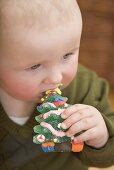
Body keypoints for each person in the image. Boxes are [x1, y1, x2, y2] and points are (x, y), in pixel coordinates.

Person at [0, 0, 114, 170]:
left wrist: (101, 137)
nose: (55, 78)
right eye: (35, 66)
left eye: (67, 55)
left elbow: (108, 157)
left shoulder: (85, 88)